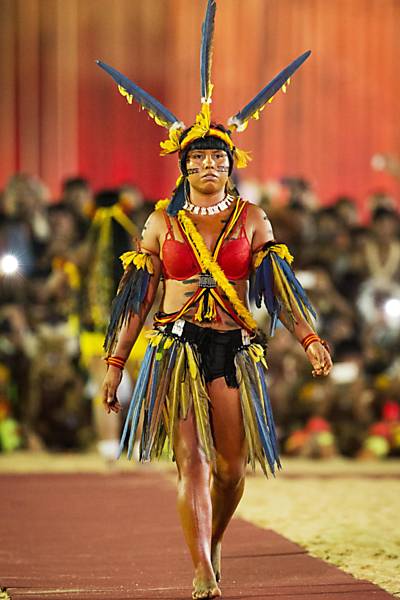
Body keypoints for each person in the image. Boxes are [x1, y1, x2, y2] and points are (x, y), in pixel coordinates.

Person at [98, 1, 332, 597]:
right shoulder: (160, 224)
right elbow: (140, 298)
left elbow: (278, 287)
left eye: (217, 158)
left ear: (231, 166)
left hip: (232, 345)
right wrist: (116, 364)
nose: (207, 164)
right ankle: (201, 568)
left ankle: (215, 538)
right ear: (183, 166)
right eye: (197, 157)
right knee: (193, 462)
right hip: (175, 347)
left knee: (231, 469)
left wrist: (309, 337)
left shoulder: (253, 220)